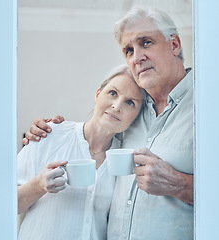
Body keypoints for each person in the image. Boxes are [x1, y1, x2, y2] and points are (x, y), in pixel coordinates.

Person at [24, 6, 194, 240]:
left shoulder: (209, 108)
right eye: (128, 50)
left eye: (146, 43)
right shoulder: (135, 114)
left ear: (174, 45)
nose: (137, 57)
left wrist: (179, 184)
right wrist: (46, 132)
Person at [17, 64, 146, 240]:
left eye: (130, 102)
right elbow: (1, 205)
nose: (117, 106)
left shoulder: (126, 162)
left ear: (136, 116)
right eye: (113, 93)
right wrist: (39, 185)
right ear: (98, 95)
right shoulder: (50, 134)